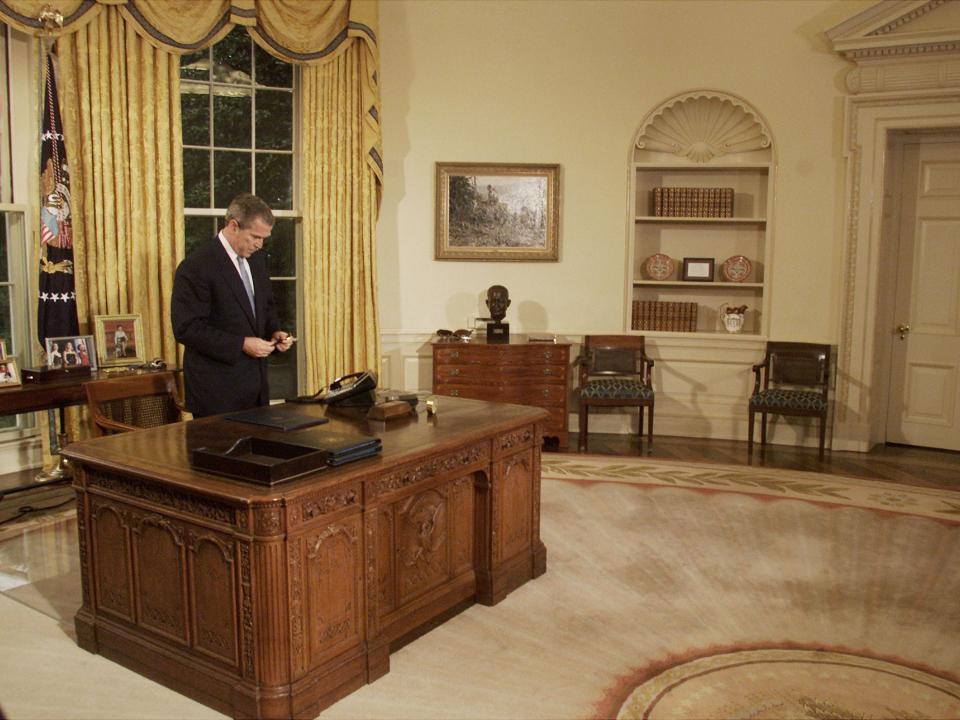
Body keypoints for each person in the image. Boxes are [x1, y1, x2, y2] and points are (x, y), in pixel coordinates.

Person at [171, 193, 294, 417]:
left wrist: (275, 332)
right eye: (255, 236)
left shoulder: (256, 260)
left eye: (264, 238)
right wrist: (241, 344)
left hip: (255, 391)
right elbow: (186, 328)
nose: (260, 244)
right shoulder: (196, 266)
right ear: (233, 226)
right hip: (216, 393)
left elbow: (265, 307)